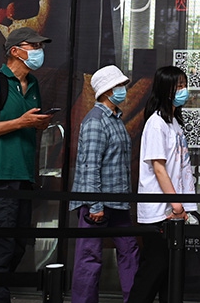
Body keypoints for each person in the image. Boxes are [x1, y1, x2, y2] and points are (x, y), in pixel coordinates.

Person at [0, 27, 54, 303]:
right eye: (34, 46)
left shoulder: (34, 84)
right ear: (15, 51)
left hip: (25, 176)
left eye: (40, 46)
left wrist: (37, 124)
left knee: (17, 246)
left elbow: (27, 124)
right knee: (1, 246)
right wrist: (20, 122)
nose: (39, 51)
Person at [70, 65, 139, 303]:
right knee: (89, 256)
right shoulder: (95, 121)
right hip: (98, 204)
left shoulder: (115, 119)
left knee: (129, 250)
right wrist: (95, 204)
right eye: (119, 86)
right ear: (107, 90)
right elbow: (90, 165)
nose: (123, 90)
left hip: (117, 202)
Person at [132, 65, 197, 303]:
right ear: (165, 89)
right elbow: (159, 168)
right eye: (178, 86)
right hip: (160, 211)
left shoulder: (174, 123)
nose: (183, 91)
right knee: (153, 270)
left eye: (184, 85)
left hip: (174, 210)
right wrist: (176, 204)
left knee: (171, 273)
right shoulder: (156, 123)